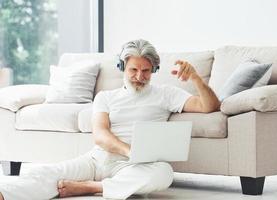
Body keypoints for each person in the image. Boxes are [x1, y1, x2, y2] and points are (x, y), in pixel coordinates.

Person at [0, 39, 220, 200]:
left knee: (164, 173)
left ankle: (92, 188)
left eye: (146, 71)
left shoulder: (166, 94)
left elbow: (209, 106)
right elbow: (101, 134)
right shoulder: (105, 97)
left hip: (136, 166)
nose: (139, 76)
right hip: (98, 159)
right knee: (47, 172)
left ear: (154, 70)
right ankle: (5, 194)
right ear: (122, 68)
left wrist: (196, 79)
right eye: (134, 69)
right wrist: (128, 150)